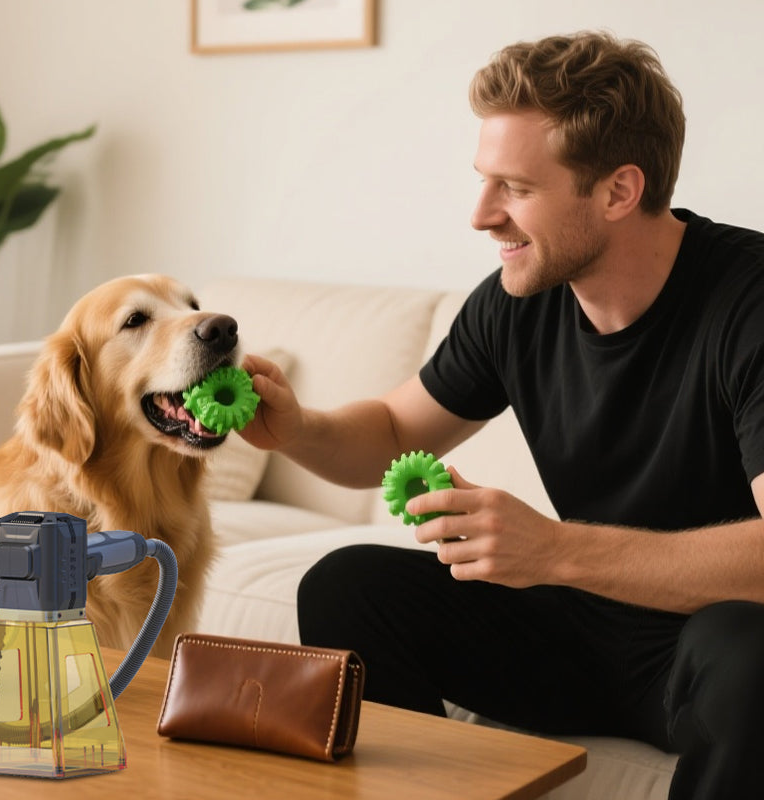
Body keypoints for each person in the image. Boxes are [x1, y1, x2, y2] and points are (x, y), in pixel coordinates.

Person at [239, 31, 764, 800]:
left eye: (515, 187)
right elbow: (391, 432)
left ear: (619, 191)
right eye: (485, 180)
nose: (482, 215)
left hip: (714, 643)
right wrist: (298, 430)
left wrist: (553, 552)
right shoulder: (519, 301)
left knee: (754, 656)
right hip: (585, 632)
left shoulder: (747, 302)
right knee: (350, 584)